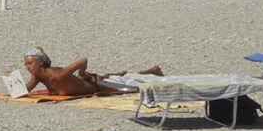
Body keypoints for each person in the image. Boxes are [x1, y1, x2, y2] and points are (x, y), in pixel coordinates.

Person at [19, 47, 162, 98]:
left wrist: (82, 73)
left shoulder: (58, 75)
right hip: (91, 82)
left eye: (30, 63)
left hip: (97, 85)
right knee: (117, 77)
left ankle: (152, 71)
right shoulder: (38, 77)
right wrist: (13, 84)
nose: (27, 67)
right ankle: (151, 71)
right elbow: (23, 91)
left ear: (41, 62)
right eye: (26, 64)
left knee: (132, 89)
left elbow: (83, 60)